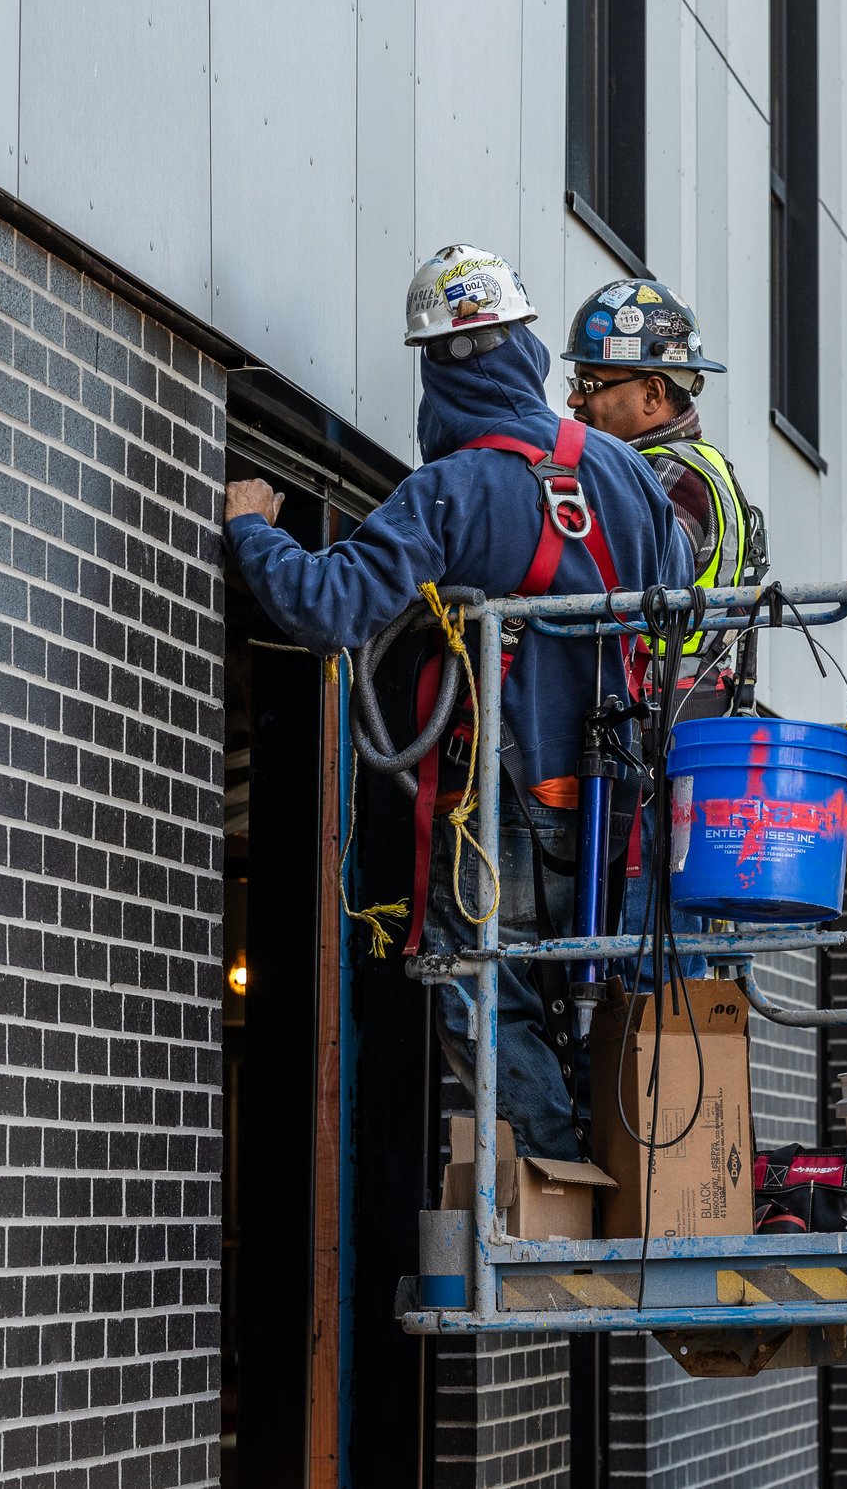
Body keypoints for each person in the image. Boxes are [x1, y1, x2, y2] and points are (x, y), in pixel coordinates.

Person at [223, 244, 691, 1160]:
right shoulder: (629, 475)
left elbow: (324, 607)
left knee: (486, 996)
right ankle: (639, 1188)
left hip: (505, 807)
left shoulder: (449, 489)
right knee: (618, 1002)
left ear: (436, 371)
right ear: (526, 351)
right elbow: (678, 599)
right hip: (619, 807)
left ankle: (566, 1195)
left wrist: (251, 529)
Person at [558, 277, 766, 718]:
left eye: (590, 384)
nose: (574, 398)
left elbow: (606, 577)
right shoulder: (696, 465)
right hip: (672, 702)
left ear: (652, 393)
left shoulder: (665, 475)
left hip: (647, 710)